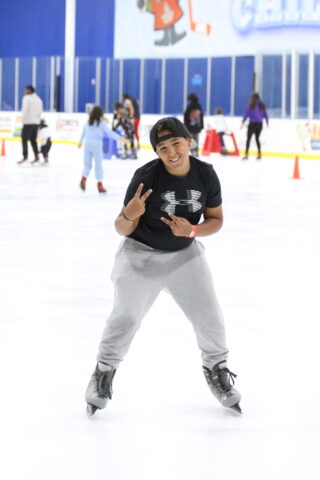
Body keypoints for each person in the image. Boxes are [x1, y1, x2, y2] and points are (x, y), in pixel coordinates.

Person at [85, 116, 242, 416]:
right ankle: (103, 372)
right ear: (156, 152)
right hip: (139, 255)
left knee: (209, 316)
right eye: (162, 148)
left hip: (185, 255)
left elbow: (216, 221)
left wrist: (192, 232)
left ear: (189, 142)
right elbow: (121, 227)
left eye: (176, 144)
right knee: (125, 317)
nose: (171, 153)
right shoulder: (146, 177)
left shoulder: (205, 174)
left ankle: (217, 370)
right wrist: (131, 214)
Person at [78, 106, 129, 193]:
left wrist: (80, 142)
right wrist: (121, 138)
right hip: (97, 146)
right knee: (98, 165)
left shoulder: (88, 122)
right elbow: (109, 133)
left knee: (87, 165)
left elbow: (83, 132)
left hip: (87, 145)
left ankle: (84, 178)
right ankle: (100, 185)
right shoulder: (101, 123)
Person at [17, 85, 43, 164]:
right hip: (36, 122)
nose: (24, 91)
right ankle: (36, 156)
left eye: (25, 90)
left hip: (28, 122)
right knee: (33, 140)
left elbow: (25, 110)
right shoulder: (38, 99)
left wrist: (23, 120)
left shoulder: (26, 99)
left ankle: (25, 157)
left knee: (24, 139)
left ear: (29, 90)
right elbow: (40, 111)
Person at [241, 92, 268, 160]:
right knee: (257, 139)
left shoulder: (251, 104)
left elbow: (246, 114)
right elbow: (265, 114)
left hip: (252, 124)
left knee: (248, 139)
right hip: (260, 124)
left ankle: (246, 155)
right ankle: (259, 154)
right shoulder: (262, 105)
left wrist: (243, 122)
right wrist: (267, 122)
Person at [183, 93, 204, 157]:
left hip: (190, 126)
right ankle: (196, 152)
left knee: (190, 140)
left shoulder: (189, 106)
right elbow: (201, 116)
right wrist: (202, 126)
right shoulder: (199, 106)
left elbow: (186, 116)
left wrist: (184, 125)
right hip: (197, 126)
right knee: (196, 139)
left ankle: (192, 152)